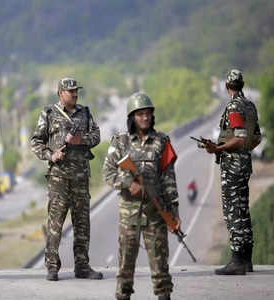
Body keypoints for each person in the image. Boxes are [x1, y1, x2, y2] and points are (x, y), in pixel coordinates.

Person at [103, 92, 180, 300]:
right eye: (140, 115)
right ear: (132, 117)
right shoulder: (120, 142)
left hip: (155, 215)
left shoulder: (162, 141)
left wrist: (174, 212)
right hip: (129, 216)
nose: (145, 118)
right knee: (125, 269)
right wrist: (129, 183)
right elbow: (108, 173)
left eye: (148, 114)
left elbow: (169, 179)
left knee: (161, 269)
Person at [31, 77, 103, 281]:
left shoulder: (85, 113)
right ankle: (52, 267)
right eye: (70, 91)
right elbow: (36, 142)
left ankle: (82, 266)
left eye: (76, 90)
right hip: (59, 178)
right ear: (60, 93)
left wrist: (82, 140)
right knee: (56, 223)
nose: (74, 93)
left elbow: (97, 135)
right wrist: (51, 155)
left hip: (81, 177)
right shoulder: (49, 113)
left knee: (82, 223)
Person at [203, 69, 261, 275]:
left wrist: (217, 149)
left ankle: (237, 261)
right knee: (243, 210)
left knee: (233, 211)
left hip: (233, 168)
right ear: (242, 85)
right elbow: (256, 138)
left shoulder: (235, 106)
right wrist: (244, 151)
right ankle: (246, 260)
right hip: (244, 164)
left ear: (227, 87)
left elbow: (239, 136)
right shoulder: (250, 105)